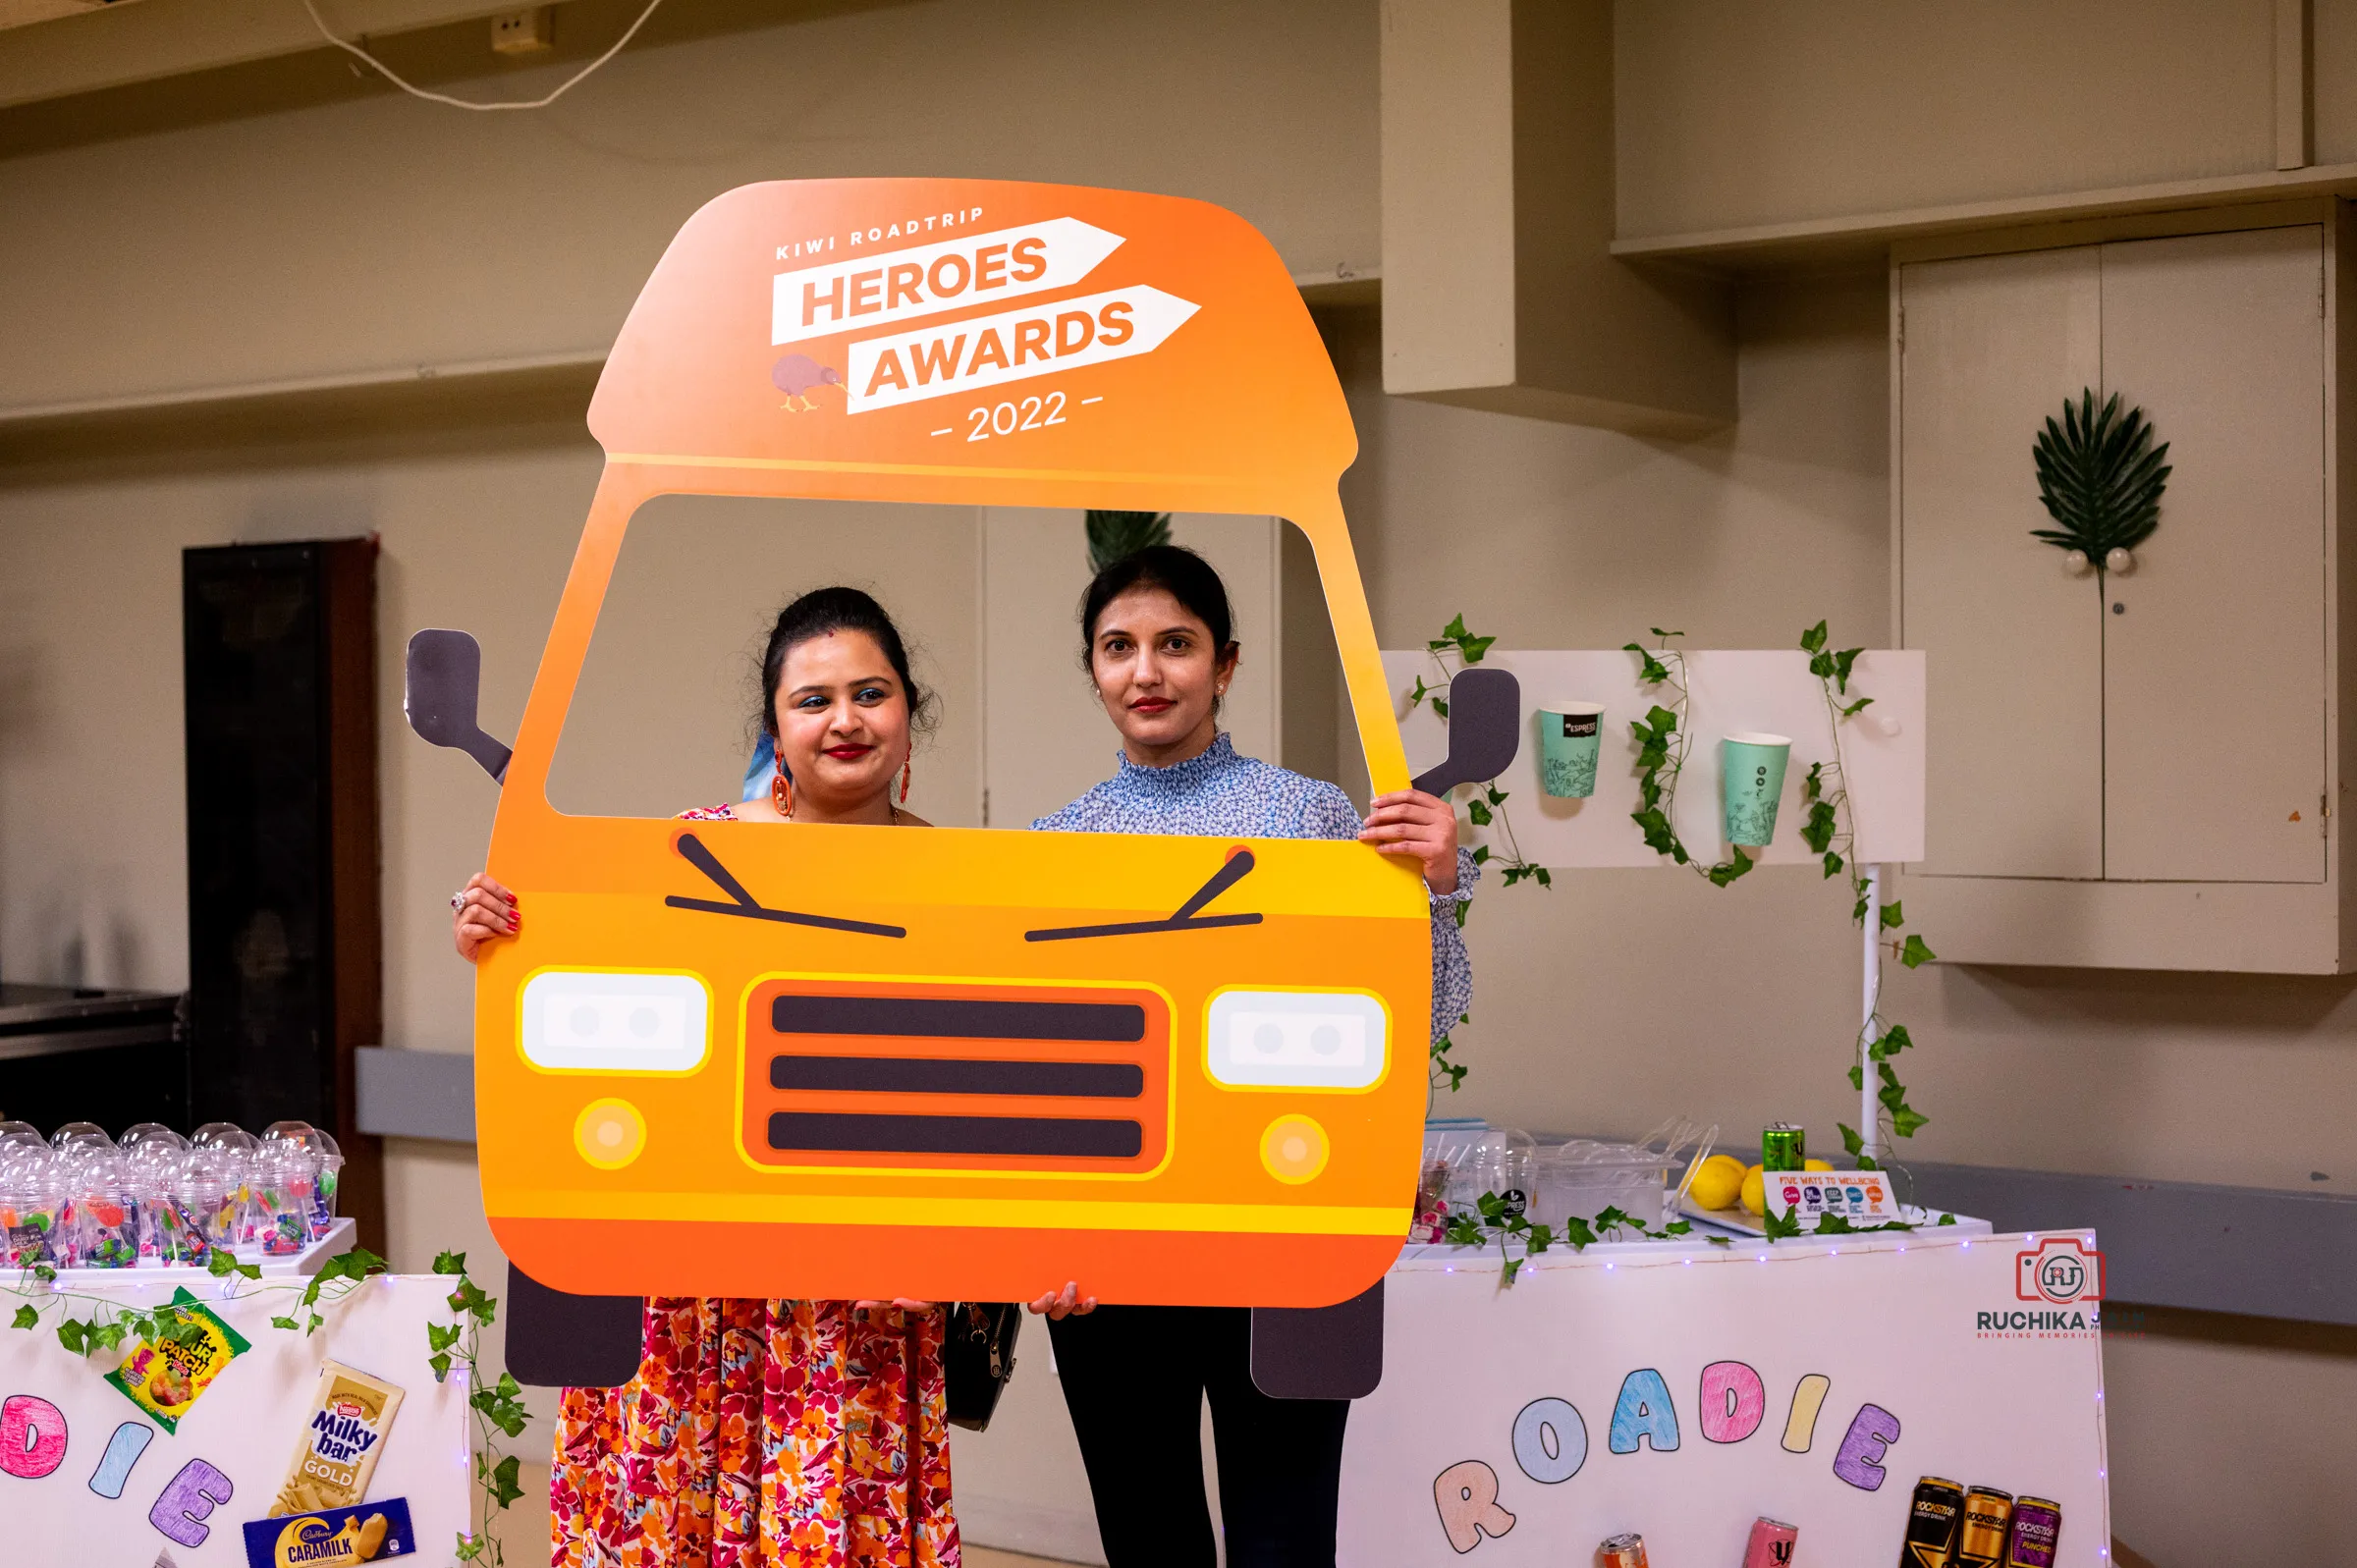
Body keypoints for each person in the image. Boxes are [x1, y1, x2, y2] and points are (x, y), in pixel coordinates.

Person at [452, 586, 1092, 1568]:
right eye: (813, 699)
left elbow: (1004, 1086)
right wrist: (500, 935)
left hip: (864, 1316)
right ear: (775, 726)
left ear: (908, 710)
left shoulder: (971, 881)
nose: (845, 719)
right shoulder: (691, 851)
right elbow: (597, 1021)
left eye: (870, 693)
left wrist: (1041, 1242)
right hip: (691, 1301)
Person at [1029, 545, 1473, 1568]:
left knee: (1285, 1540)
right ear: (1093, 668)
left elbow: (1424, 1015)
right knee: (1148, 1539)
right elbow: (1046, 1069)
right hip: (1113, 1248)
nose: (1147, 671)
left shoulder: (1313, 818)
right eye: (1119, 647)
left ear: (1225, 664)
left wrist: (1439, 884)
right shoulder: (1055, 845)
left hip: (1287, 1233)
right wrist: (1036, 1234)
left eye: (1176, 644)